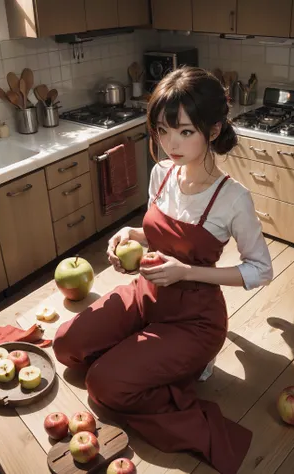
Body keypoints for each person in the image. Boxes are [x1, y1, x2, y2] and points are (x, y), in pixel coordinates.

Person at [53, 66, 273, 474]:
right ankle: (140, 353)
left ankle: (182, 366)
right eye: (161, 130)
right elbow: (155, 235)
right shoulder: (162, 173)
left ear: (212, 130)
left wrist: (186, 272)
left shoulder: (233, 199)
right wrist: (129, 234)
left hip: (194, 318)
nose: (170, 143)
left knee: (101, 385)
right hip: (147, 293)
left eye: (185, 131)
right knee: (65, 345)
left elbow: (261, 270)